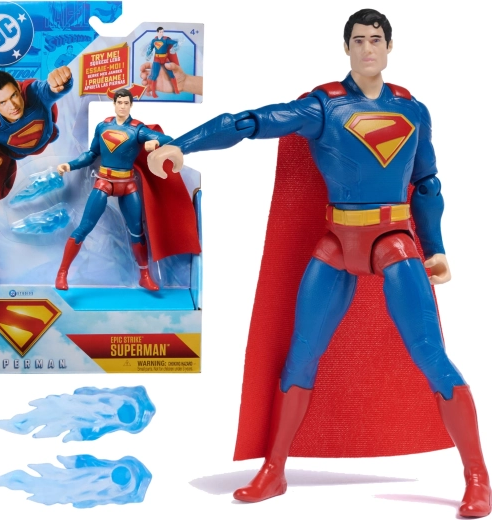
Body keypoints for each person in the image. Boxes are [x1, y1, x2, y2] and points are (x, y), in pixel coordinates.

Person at [147, 9, 491, 518]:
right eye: (359, 40)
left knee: (429, 354)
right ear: (346, 47)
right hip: (337, 241)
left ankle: (478, 476)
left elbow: (427, 183)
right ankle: (274, 469)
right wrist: (182, 145)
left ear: (389, 47)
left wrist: (436, 246)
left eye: (376, 39)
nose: (368, 48)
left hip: (394, 240)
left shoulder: (412, 109)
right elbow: (251, 122)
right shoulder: (324, 106)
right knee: (301, 354)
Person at [55, 88, 200, 291]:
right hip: (104, 182)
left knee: (137, 231)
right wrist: (70, 165)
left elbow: (167, 138)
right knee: (85, 226)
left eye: (126, 103)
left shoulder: (137, 129)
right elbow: (91, 154)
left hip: (128, 184)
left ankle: (144, 275)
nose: (122, 106)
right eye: (119, 102)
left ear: (130, 105)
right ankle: (62, 273)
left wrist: (155, 142)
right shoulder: (103, 126)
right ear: (114, 104)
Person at [0, 67, 73, 204]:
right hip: (15, 153)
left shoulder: (33, 93)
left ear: (18, 87)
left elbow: (49, 90)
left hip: (48, 137)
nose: (12, 106)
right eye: (2, 102)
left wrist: (62, 81)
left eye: (14, 95)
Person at [145, 27, 180, 97]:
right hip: (157, 59)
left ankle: (176, 89)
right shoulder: (154, 40)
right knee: (154, 76)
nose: (161, 33)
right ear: (157, 32)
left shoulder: (165, 40)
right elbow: (150, 48)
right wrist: (148, 53)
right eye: (160, 32)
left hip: (165, 59)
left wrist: (175, 46)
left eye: (162, 32)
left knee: (171, 74)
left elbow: (174, 42)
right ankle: (153, 92)